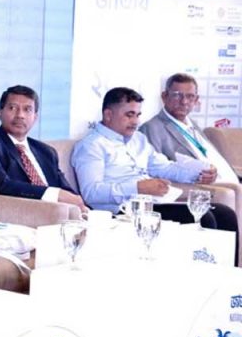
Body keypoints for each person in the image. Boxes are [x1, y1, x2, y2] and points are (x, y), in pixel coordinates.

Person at [71, 87, 237, 234]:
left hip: (151, 204)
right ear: (108, 114)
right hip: (122, 211)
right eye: (129, 115)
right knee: (204, 218)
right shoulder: (92, 145)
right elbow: (91, 193)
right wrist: (137, 188)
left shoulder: (138, 139)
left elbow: (164, 167)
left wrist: (199, 174)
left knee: (225, 214)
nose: (135, 122)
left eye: (137, 115)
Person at [0, 85, 87, 211]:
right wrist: (53, 194)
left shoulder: (46, 152)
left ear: (35, 117)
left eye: (27, 109)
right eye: (12, 108)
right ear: (0, 113)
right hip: (20, 214)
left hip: (62, 216)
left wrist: (82, 207)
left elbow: (67, 193)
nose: (20, 115)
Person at [140, 72, 237, 185]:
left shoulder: (192, 124)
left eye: (190, 96)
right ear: (164, 96)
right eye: (177, 95)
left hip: (234, 183)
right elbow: (153, 172)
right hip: (208, 188)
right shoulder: (151, 128)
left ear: (196, 100)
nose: (184, 102)